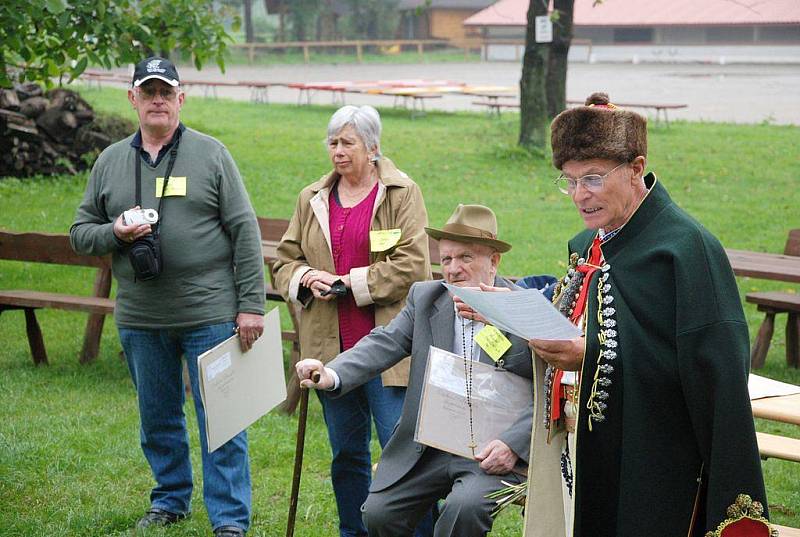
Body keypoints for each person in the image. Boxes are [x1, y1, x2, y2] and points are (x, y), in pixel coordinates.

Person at [521, 93, 770, 537]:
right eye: (569, 180)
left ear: (636, 168)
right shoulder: (589, 244)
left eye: (593, 179)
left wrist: (589, 356)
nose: (579, 195)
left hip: (658, 462)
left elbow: (714, 373)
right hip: (587, 450)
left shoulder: (687, 249)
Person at [70, 57, 264, 537]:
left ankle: (230, 520)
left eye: (166, 91)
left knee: (222, 420)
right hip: (141, 316)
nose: (157, 99)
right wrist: (114, 231)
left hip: (211, 313)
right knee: (157, 418)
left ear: (181, 99)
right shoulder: (110, 160)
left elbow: (244, 231)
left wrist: (251, 305)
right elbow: (79, 232)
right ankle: (170, 499)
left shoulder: (212, 154)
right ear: (132, 99)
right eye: (148, 91)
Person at [295, 204, 535, 537]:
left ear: (494, 261)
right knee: (379, 515)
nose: (453, 269)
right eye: (446, 259)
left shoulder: (523, 310)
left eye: (466, 257)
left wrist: (512, 444)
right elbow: (383, 343)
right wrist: (331, 372)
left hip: (491, 450)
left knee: (463, 510)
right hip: (431, 447)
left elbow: (547, 387)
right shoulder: (426, 299)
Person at [273, 105, 431, 537]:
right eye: (332, 143)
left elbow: (413, 265)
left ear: (373, 147)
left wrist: (349, 283)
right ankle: (353, 531)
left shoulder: (401, 193)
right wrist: (307, 276)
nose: (338, 152)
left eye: (347, 143)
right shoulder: (312, 198)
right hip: (330, 352)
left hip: (388, 351)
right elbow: (285, 261)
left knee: (403, 452)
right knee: (346, 453)